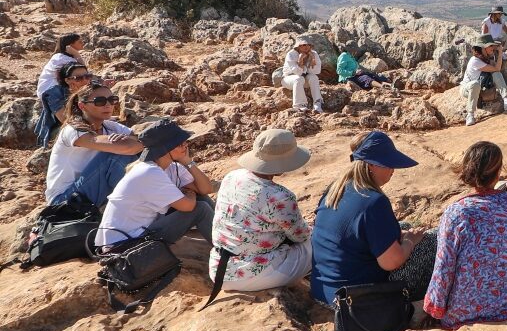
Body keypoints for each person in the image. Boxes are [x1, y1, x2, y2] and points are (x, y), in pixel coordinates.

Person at [423, 142, 507, 328]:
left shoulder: (455, 212)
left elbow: (444, 265)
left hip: (464, 311)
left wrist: (434, 307)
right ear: (498, 171)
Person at [310, 131, 426, 306]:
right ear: (371, 165)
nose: (393, 170)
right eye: (388, 164)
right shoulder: (374, 202)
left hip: (323, 291)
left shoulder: (335, 189)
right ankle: (425, 305)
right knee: (431, 243)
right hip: (354, 300)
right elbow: (391, 263)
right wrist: (410, 241)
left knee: (405, 225)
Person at [209, 129, 313, 292]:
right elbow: (301, 236)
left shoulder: (232, 176)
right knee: (318, 242)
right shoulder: (280, 196)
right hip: (251, 275)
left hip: (218, 268)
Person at [95, 120, 215, 249]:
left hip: (137, 234)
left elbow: (206, 189)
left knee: (201, 198)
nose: (185, 146)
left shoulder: (169, 168)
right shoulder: (149, 172)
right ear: (166, 148)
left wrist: (187, 162)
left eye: (185, 142)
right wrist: (190, 193)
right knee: (200, 209)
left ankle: (229, 240)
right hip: (123, 245)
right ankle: (229, 250)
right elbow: (188, 206)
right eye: (180, 143)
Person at [45, 83, 144, 207]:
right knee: (115, 157)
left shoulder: (111, 126)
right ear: (82, 106)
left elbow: (139, 140)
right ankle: (140, 205)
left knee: (147, 155)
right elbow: (128, 147)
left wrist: (133, 141)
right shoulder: (73, 130)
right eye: (100, 101)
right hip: (64, 201)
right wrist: (132, 142)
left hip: (90, 192)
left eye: (112, 100)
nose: (108, 105)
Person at [35, 34, 86, 148]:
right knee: (65, 118)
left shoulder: (68, 57)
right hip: (52, 89)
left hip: (60, 88)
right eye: (79, 41)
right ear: (70, 45)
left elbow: (83, 71)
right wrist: (76, 54)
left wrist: (75, 54)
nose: (82, 43)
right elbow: (76, 71)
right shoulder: (59, 57)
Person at [460, 35, 507, 126]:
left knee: (496, 74)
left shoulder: (486, 58)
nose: (493, 47)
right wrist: (500, 53)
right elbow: (496, 67)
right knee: (475, 84)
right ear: (483, 48)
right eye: (490, 46)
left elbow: (497, 69)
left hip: (481, 88)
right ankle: (470, 115)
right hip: (467, 89)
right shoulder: (475, 61)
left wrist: (495, 54)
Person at [34, 61, 93, 148]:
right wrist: (75, 95)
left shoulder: (91, 89)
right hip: (61, 129)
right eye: (78, 78)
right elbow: (66, 119)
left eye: (87, 77)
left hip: (87, 124)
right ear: (67, 80)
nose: (85, 81)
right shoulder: (54, 93)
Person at [282, 35, 324, 112]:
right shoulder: (291, 54)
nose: (306, 47)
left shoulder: (313, 54)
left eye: (309, 45)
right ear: (298, 46)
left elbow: (317, 71)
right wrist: (300, 60)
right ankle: (299, 105)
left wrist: (312, 60)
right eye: (304, 45)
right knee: (298, 78)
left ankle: (317, 104)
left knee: (314, 77)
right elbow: (297, 72)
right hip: (289, 80)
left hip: (304, 79)